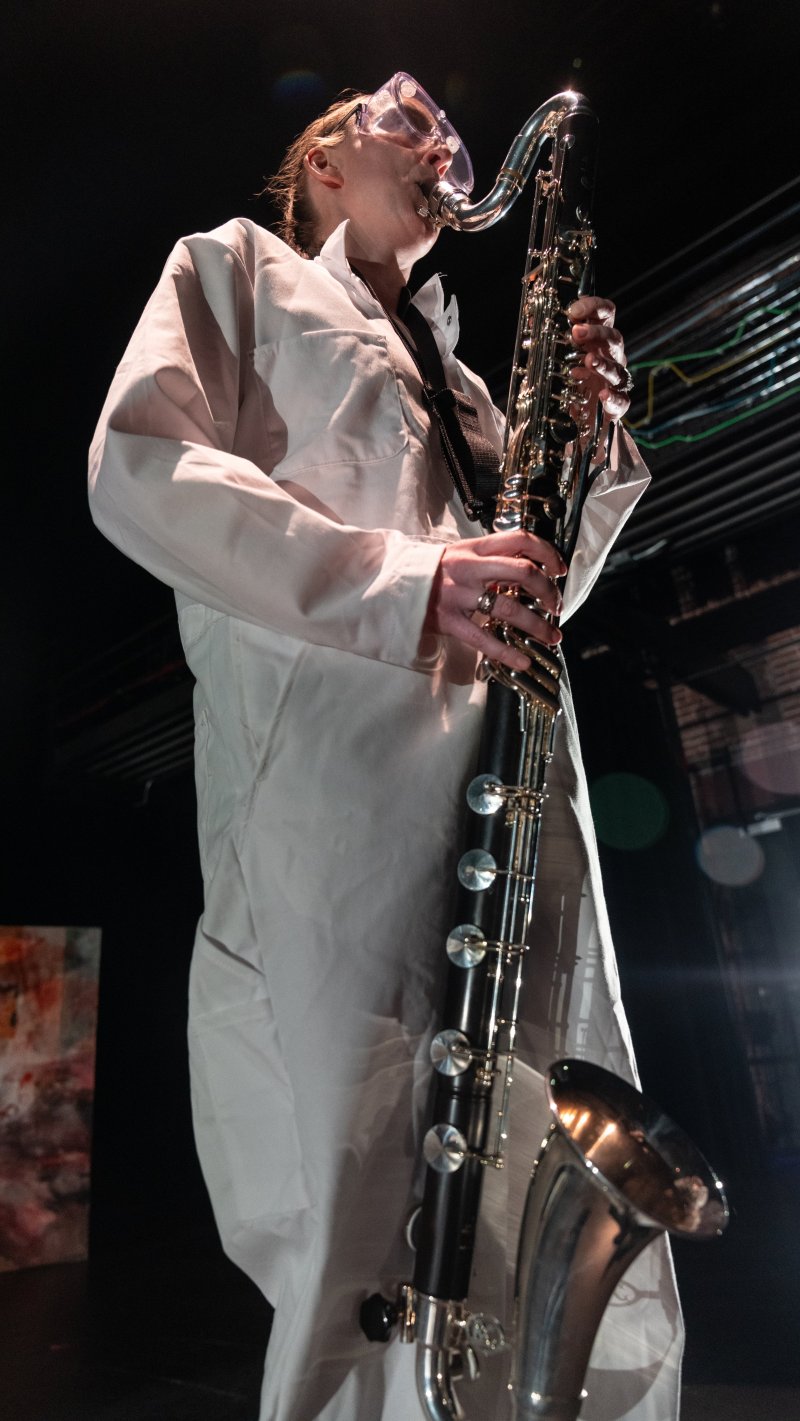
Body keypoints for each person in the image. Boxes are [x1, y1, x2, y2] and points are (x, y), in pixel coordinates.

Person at [89, 74, 683, 1421]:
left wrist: (585, 452)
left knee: (536, 1227)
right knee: (366, 1262)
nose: (435, 125)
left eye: (445, 123)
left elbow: (535, 594)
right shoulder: (236, 272)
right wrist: (407, 586)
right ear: (319, 160)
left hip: (518, 829)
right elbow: (140, 467)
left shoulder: (474, 380)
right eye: (390, 106)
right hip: (340, 831)